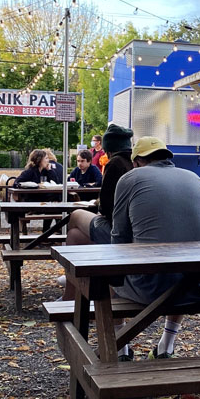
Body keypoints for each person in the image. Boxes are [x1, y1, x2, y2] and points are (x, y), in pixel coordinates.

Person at [110, 137, 200, 360]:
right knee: (182, 265)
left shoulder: (129, 178)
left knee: (106, 269)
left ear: (137, 162)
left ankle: (120, 347)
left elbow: (119, 237)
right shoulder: (194, 177)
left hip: (151, 289)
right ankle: (166, 346)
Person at [60, 124, 134, 301]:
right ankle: (72, 288)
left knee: (76, 216)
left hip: (119, 231)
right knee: (74, 236)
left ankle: (72, 285)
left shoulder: (115, 163)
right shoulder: (135, 162)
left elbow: (107, 205)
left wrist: (98, 205)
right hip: (135, 231)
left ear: (108, 148)